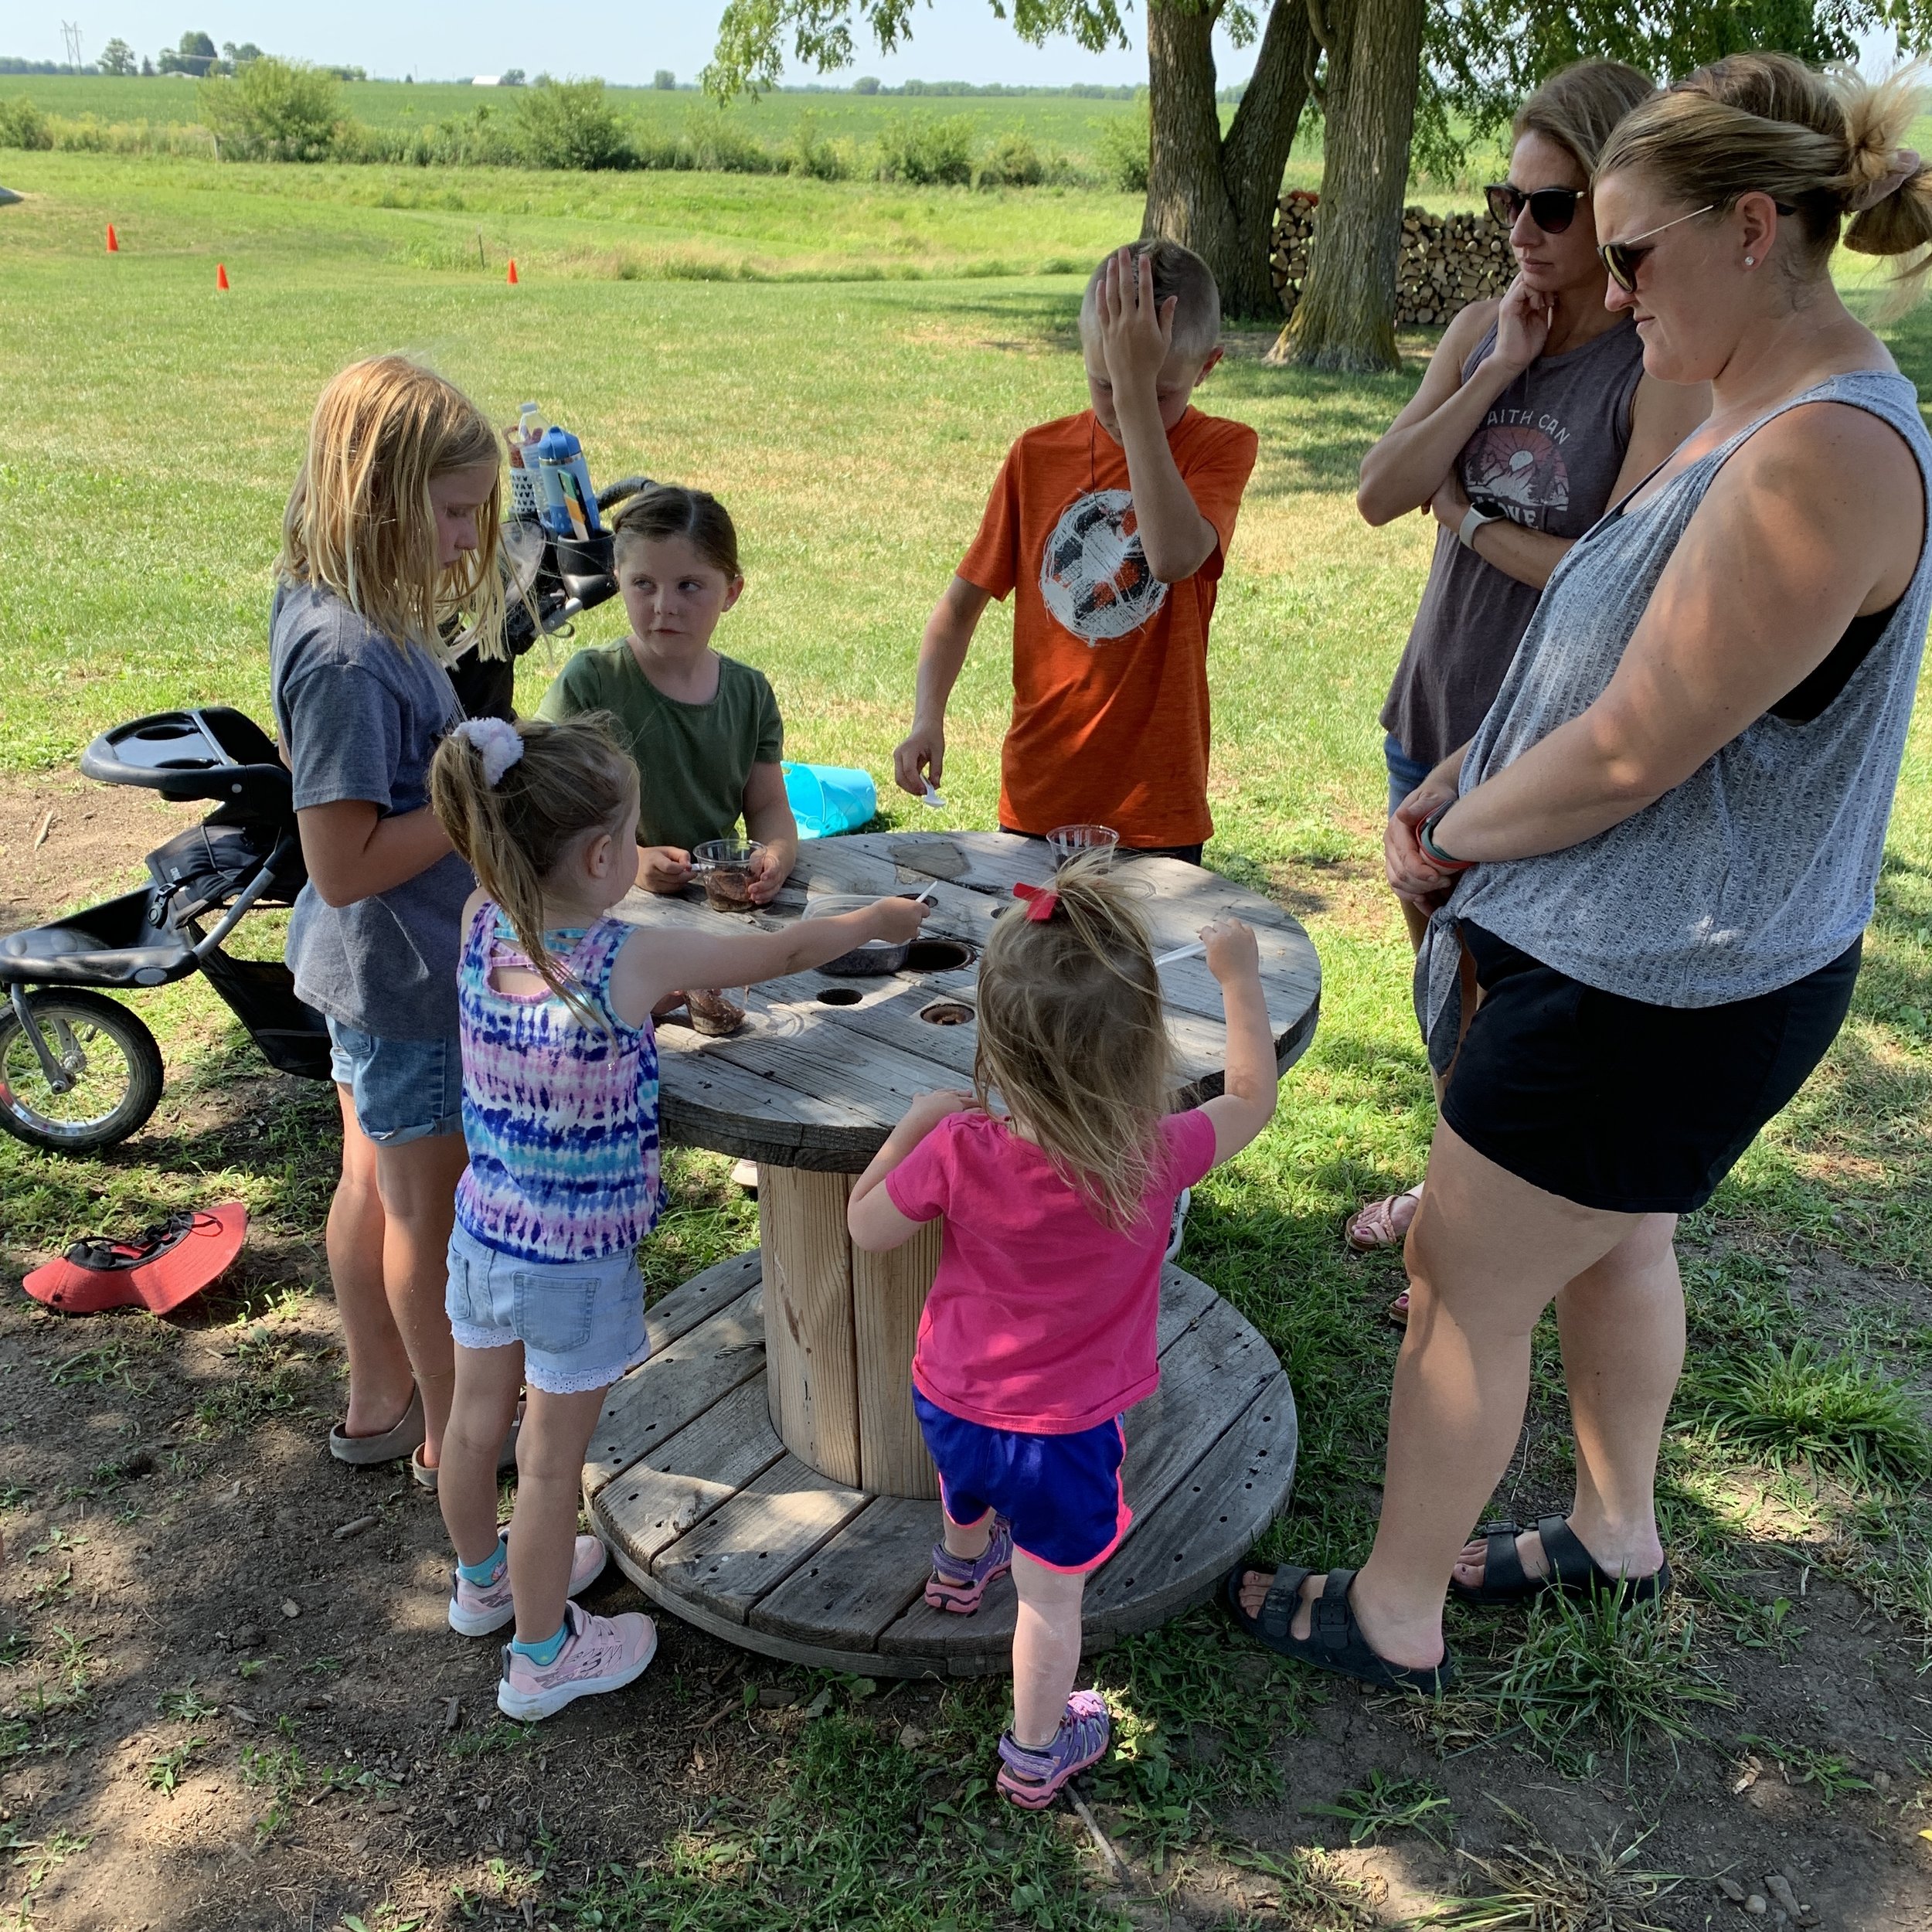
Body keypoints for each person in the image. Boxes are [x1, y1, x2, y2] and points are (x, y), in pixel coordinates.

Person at [1229, 54, 1932, 1692]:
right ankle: (1616, 1527)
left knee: (1455, 1280)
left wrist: (1439, 837)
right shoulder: (1748, 392)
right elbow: (1597, 652)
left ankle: (1393, 1607)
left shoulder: (1820, 452)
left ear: (1752, 226)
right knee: (1616, 1240)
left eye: (1628, 254)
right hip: (1672, 955)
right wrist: (1471, 774)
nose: (1603, 290)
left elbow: (1631, 749)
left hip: (1657, 980)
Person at [426, 712, 927, 1719]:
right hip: (573, 1264)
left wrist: (672, 1001)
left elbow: (564, 1013)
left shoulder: (489, 919)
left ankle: (481, 1585)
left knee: (477, 1426)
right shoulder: (623, 961)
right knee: (555, 1464)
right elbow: (783, 951)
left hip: (484, 1228)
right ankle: (543, 1655)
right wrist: (874, 923)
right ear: (603, 856)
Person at [1347, 62, 1711, 1267]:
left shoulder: (1654, 368)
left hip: (1531, 743)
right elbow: (1378, 493)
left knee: (1509, 1008)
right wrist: (1497, 365)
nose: (1523, 230)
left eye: (1554, 207)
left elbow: (1615, 581)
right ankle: (1458, 1206)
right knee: (1441, 985)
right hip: (1433, 706)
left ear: (1615, 206)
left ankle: (1470, 1243)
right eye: (1512, 198)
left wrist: (1470, 525)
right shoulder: (1485, 326)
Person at [847, 857, 1279, 1803]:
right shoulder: (1157, 1155)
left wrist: (914, 1125)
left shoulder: (959, 1149)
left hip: (951, 1395)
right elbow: (1250, 1097)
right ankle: (1038, 1750)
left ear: (994, 1045)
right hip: (1066, 1434)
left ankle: (959, 1571)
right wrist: (1240, 981)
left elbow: (864, 1225)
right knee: (1050, 1598)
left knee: (969, 1486)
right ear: (1140, 1048)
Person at [272, 355, 507, 1488]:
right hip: (400, 975)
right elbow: (345, 859)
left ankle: (377, 1398)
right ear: (377, 494)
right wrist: (471, 791)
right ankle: (459, 1431)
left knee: (373, 1181)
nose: (468, 539)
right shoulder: (347, 658)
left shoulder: (347, 605)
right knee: (431, 1208)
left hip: (370, 974)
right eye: (455, 512)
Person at [892, 240, 1259, 864]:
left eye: (1155, 392)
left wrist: (1135, 388)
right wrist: (928, 715)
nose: (1122, 407)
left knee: (1146, 965)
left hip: (1154, 808)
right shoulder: (1037, 455)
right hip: (1043, 793)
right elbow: (959, 607)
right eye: (1104, 382)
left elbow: (1171, 557)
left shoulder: (1220, 449)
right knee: (1038, 963)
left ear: (1208, 367)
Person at [537, 485, 797, 905]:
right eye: (644, 583)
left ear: (731, 592)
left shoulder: (749, 693)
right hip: (603, 902)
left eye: (689, 586)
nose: (664, 605)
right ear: (618, 580)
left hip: (716, 902)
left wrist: (776, 854)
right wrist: (633, 861)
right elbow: (545, 808)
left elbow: (767, 806)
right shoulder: (592, 681)